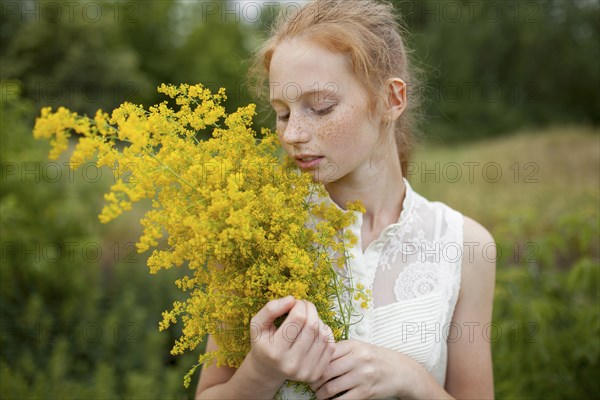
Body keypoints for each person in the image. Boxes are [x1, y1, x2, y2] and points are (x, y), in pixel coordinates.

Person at [196, 0, 496, 398]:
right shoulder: (251, 233)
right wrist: (261, 371)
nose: (292, 134)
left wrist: (413, 380)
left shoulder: (466, 246)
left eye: (320, 107)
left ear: (391, 99)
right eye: (283, 113)